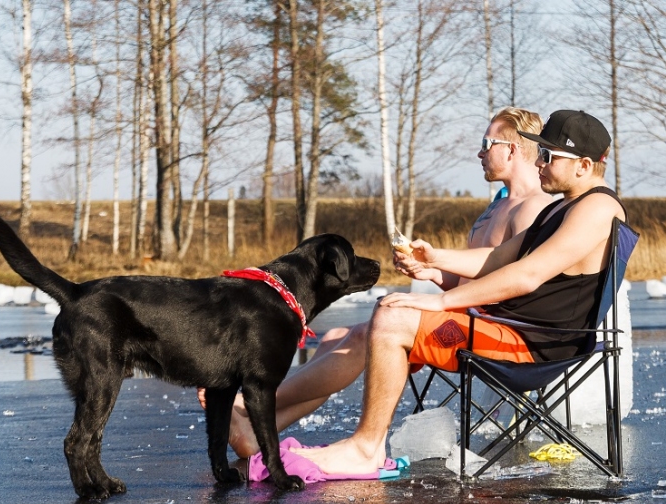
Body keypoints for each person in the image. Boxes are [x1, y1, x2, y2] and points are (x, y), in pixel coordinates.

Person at [203, 107, 551, 459]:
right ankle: (258, 430)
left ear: (511, 148)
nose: (479, 152)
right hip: (466, 321)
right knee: (339, 337)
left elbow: (514, 285)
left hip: (492, 336)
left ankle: (252, 405)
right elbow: (473, 276)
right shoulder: (496, 208)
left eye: (485, 143)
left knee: (361, 336)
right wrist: (430, 273)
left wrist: (438, 294)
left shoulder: (532, 209)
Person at [302, 110, 626, 477]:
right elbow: (497, 258)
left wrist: (439, 301)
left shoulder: (599, 207)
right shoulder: (561, 209)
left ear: (584, 165)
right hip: (508, 328)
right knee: (389, 310)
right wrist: (435, 258)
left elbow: (526, 275)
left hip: (532, 345)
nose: (539, 163)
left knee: (393, 319)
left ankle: (365, 449)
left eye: (548, 156)